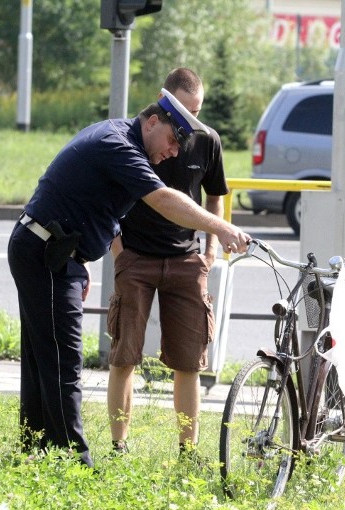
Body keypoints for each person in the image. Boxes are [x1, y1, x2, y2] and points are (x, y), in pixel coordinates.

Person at [6, 92, 250, 468]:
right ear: (152, 122)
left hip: (51, 248)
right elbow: (163, 200)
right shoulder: (119, 146)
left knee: (43, 357)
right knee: (62, 361)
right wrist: (220, 227)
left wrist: (79, 255)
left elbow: (89, 203)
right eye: (171, 140)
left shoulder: (121, 140)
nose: (172, 152)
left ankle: (34, 448)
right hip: (44, 251)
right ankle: (74, 465)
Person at [106, 68, 225, 457]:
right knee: (125, 357)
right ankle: (118, 446)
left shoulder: (208, 140)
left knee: (189, 361)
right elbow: (109, 194)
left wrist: (210, 251)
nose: (190, 122)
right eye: (185, 111)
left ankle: (187, 453)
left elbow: (215, 194)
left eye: (197, 111)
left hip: (186, 261)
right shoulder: (143, 136)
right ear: (165, 101)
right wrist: (119, 250)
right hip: (136, 257)